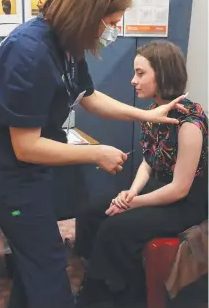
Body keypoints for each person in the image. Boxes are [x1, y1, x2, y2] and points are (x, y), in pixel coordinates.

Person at [0, 0, 186, 308]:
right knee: (47, 261)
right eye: (110, 23)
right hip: (7, 173)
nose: (113, 31)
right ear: (87, 13)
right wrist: (98, 153)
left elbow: (88, 96)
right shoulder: (30, 52)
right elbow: (26, 146)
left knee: (36, 260)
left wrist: (145, 114)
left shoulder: (66, 45)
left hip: (27, 172)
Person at [75, 41, 208, 308]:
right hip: (160, 187)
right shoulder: (152, 112)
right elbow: (148, 162)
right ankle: (98, 278)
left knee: (116, 228)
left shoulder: (190, 124)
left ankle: (118, 296)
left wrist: (131, 203)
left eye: (140, 73)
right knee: (91, 211)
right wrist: (132, 192)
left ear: (163, 73)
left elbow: (180, 189)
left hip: (186, 201)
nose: (133, 80)